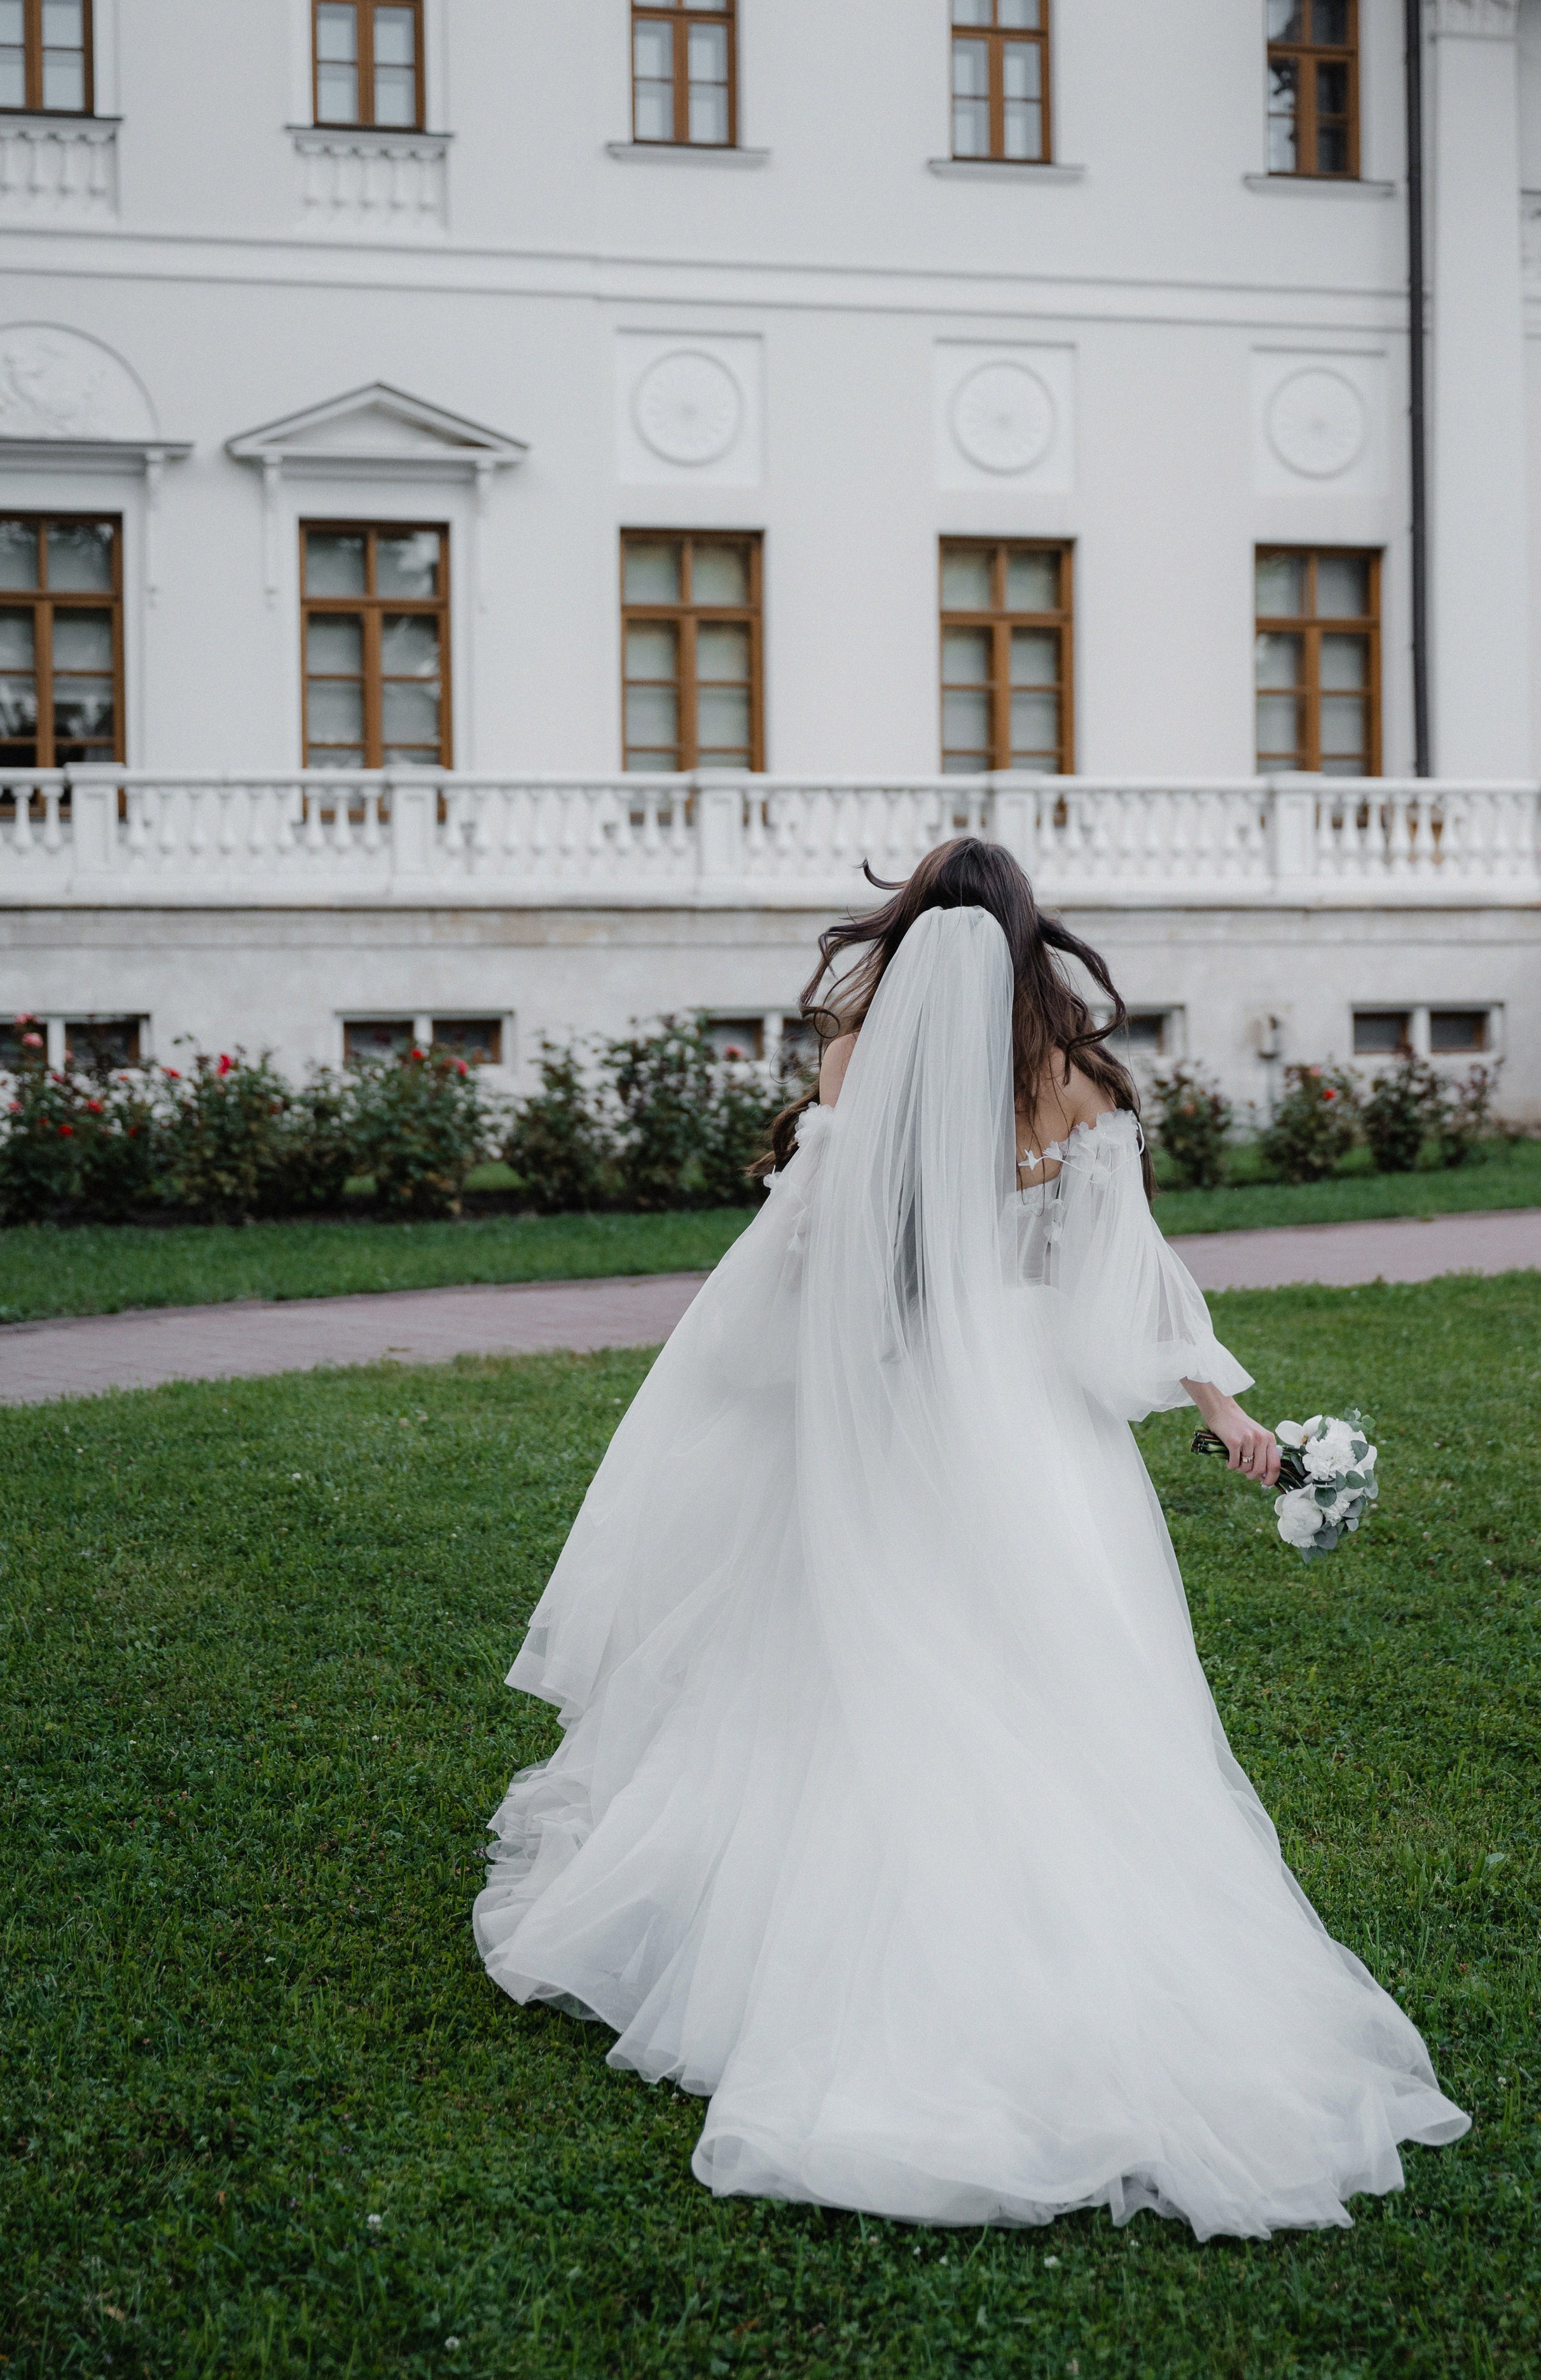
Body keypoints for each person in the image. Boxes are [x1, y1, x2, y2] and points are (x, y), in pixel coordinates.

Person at [473, 839, 1468, 2236]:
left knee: (854, 1657)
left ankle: (840, 1950)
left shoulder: (850, 1055)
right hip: (1031, 1424)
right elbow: (1126, 1271)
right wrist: (1225, 1411)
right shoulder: (1066, 1075)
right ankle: (1077, 1951)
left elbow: (811, 1257)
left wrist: (799, 1379)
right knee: (1060, 1677)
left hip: (884, 1402)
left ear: (911, 927)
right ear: (1021, 937)